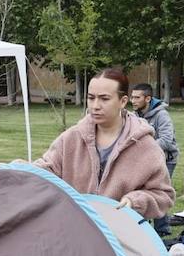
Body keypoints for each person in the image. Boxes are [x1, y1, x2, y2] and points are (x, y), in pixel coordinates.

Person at [34, 67, 174, 219]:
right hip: (74, 229)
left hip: (121, 236)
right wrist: (15, 169)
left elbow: (163, 195)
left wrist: (135, 202)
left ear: (123, 101)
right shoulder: (71, 138)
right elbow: (45, 170)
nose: (95, 106)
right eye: (91, 98)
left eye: (104, 98)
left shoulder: (145, 146)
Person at [129, 82, 179, 236]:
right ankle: (142, 227)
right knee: (141, 192)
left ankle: (162, 230)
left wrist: (144, 148)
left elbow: (166, 140)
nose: (133, 100)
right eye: (132, 97)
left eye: (137, 97)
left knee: (158, 193)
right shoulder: (135, 115)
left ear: (148, 98)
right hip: (144, 160)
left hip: (166, 160)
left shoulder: (161, 114)